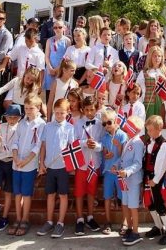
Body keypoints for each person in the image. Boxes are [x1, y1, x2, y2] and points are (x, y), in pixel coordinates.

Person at [37, 98, 75, 238]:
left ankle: (60, 223)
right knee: (50, 194)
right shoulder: (48, 126)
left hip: (63, 167)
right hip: (50, 166)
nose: (59, 115)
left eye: (62, 113)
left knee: (63, 194)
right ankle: (49, 221)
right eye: (56, 113)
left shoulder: (70, 128)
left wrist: (71, 166)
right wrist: (41, 163)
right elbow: (43, 146)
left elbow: (72, 148)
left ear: (67, 112)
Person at [9, 93, 46, 236]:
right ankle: (18, 218)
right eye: (26, 108)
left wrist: (25, 161)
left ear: (38, 108)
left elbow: (37, 146)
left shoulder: (41, 124)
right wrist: (16, 157)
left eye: (31, 108)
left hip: (29, 165)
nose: (28, 111)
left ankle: (25, 219)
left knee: (26, 193)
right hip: (16, 163)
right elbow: (15, 141)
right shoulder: (22, 123)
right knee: (17, 193)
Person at [142, 115, 166, 246]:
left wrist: (155, 180)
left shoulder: (163, 145)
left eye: (150, 130)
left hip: (157, 179)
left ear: (158, 129)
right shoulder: (149, 142)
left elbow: (161, 165)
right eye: (147, 130)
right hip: (148, 177)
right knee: (149, 202)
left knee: (159, 204)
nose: (148, 132)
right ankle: (158, 226)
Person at [114, 114, 146, 246]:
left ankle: (136, 232)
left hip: (132, 179)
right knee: (125, 204)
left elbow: (138, 163)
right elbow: (123, 158)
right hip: (124, 179)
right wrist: (116, 165)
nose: (126, 130)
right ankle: (130, 227)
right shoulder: (129, 140)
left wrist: (127, 172)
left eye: (129, 128)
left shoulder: (138, 143)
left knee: (133, 206)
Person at [74, 95, 103, 235]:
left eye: (92, 109)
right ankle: (79, 218)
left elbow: (104, 143)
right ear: (82, 110)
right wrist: (85, 143)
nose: (89, 112)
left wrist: (96, 146)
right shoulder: (77, 123)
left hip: (94, 163)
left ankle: (90, 217)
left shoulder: (100, 124)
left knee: (92, 191)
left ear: (96, 109)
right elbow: (73, 142)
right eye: (87, 110)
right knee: (79, 191)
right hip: (81, 163)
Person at [0, 104, 22, 233]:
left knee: (9, 192)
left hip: (11, 163)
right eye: (9, 117)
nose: (12, 120)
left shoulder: (21, 129)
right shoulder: (1, 127)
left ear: (19, 118)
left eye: (15, 117)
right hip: (0, 161)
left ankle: (4, 218)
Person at [100, 107, 128, 234]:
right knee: (107, 197)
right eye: (104, 123)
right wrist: (107, 155)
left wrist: (119, 146)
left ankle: (125, 222)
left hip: (119, 172)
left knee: (123, 198)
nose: (107, 126)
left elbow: (124, 155)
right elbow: (105, 153)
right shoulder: (104, 137)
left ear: (116, 121)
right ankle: (107, 221)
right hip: (108, 172)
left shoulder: (122, 135)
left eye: (109, 122)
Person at [136, 45, 166, 118]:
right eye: (154, 56)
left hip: (162, 101)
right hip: (148, 102)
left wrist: (165, 79)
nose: (157, 58)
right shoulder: (144, 72)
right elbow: (138, 88)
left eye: (159, 56)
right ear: (150, 57)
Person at [44, 19, 71, 102]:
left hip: (61, 70)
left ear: (64, 28)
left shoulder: (67, 41)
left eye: (60, 27)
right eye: (55, 27)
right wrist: (50, 68)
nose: (57, 29)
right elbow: (47, 56)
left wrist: (58, 69)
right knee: (49, 95)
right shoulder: (49, 40)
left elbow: (67, 56)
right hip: (50, 70)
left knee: (61, 94)